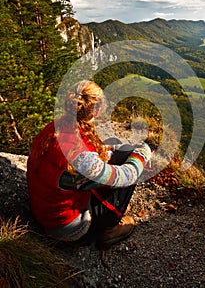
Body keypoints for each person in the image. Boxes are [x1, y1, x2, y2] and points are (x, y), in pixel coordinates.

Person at [27, 80, 151, 249]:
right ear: (97, 110)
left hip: (47, 211)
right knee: (130, 166)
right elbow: (125, 176)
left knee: (125, 151)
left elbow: (96, 150)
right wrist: (144, 151)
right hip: (69, 228)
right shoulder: (80, 156)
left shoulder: (54, 128)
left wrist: (118, 148)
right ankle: (109, 229)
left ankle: (112, 207)